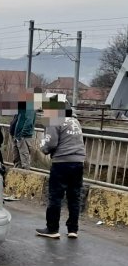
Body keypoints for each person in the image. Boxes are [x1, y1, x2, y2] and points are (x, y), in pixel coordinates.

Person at [36, 100, 85, 239]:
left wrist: (43, 147)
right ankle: (73, 229)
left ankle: (52, 229)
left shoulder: (54, 120)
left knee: (55, 196)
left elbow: (50, 143)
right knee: (74, 196)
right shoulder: (75, 121)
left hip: (62, 163)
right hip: (78, 162)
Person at [14, 93, 37, 169]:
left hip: (24, 137)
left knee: (24, 161)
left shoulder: (29, 108)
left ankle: (25, 178)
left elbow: (29, 122)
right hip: (19, 137)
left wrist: (21, 135)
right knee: (18, 160)